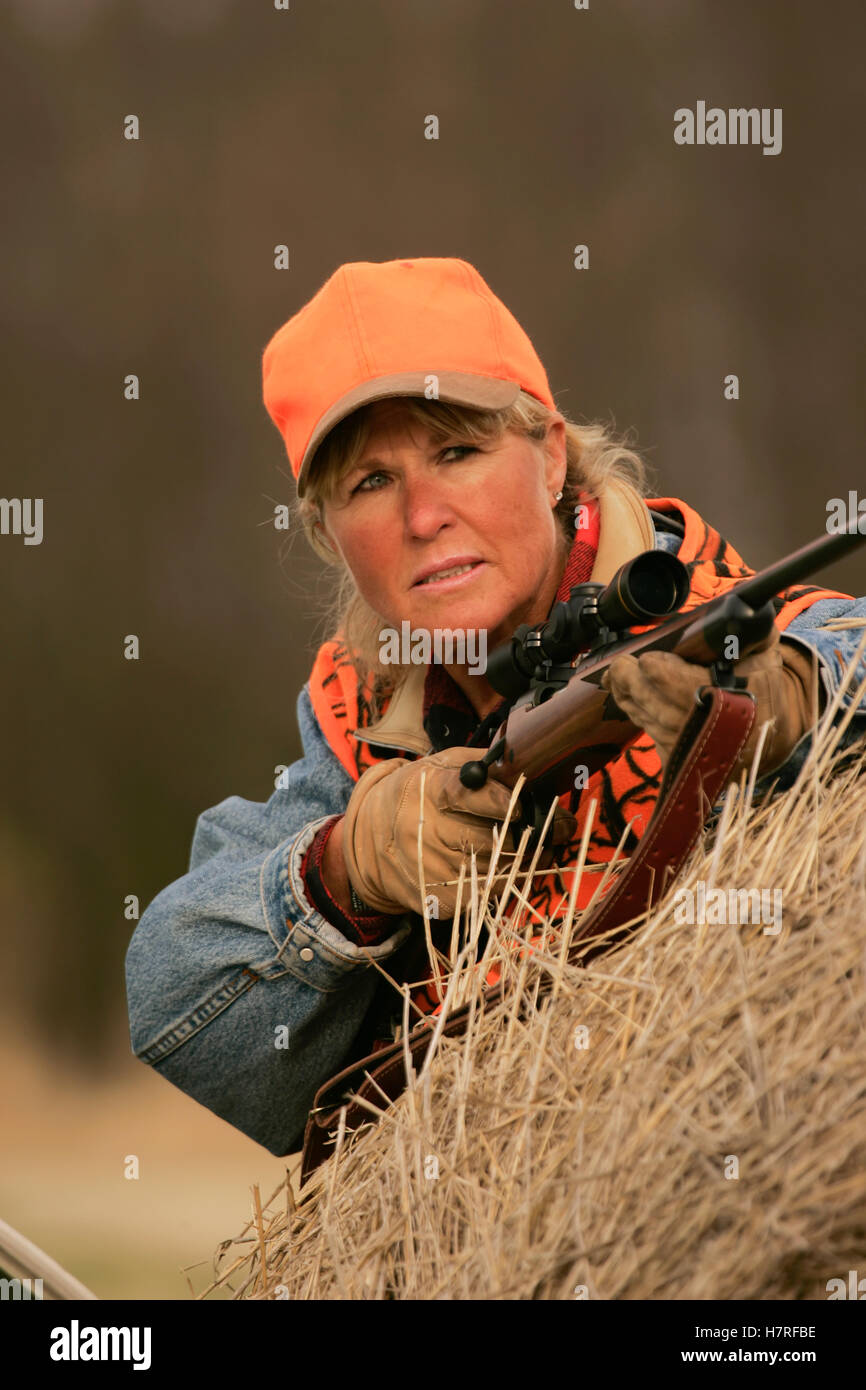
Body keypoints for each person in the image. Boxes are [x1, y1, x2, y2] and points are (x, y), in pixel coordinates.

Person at [125, 257, 866, 1156]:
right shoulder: (360, 717)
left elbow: (833, 637)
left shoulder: (710, 618)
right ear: (328, 536)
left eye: (457, 452)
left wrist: (793, 702)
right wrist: (347, 872)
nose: (423, 515)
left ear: (551, 453)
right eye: (369, 484)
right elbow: (171, 995)